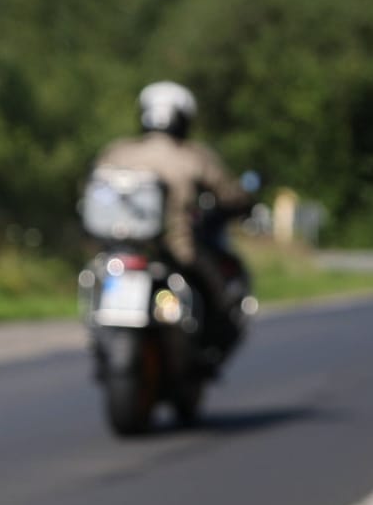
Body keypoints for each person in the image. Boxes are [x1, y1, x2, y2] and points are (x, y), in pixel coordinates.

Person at [93, 81, 253, 365]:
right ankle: (210, 349)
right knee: (221, 296)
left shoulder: (117, 152)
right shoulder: (192, 156)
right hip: (177, 248)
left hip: (116, 247)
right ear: (183, 118)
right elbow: (229, 193)